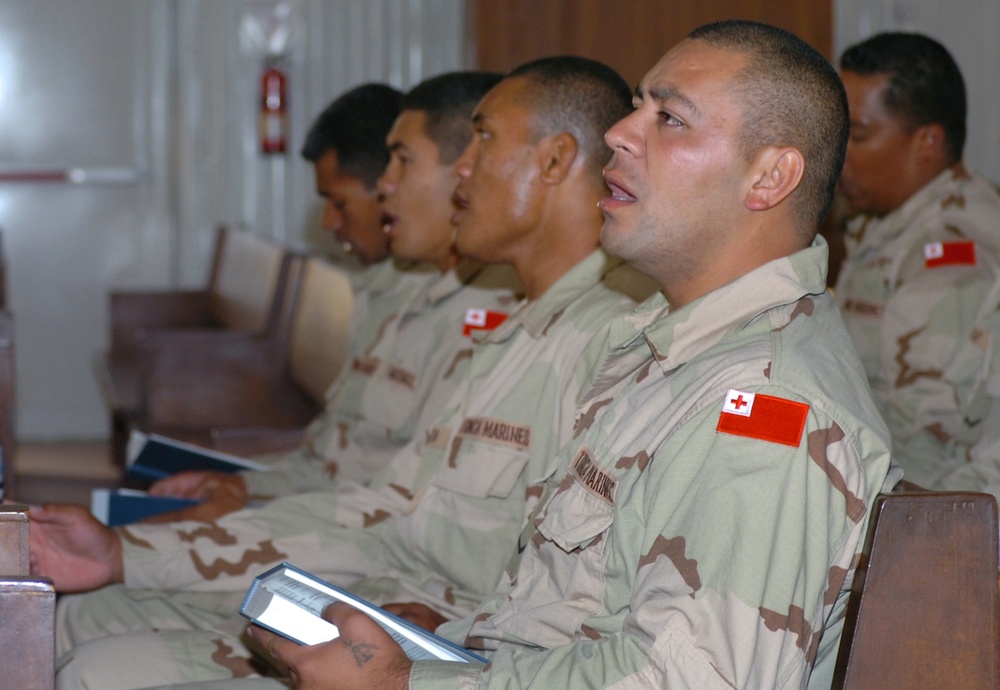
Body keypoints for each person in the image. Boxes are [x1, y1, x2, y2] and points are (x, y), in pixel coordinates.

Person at [249, 20, 898, 690]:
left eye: (669, 118)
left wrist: (402, 685)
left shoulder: (770, 408)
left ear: (768, 177)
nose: (621, 132)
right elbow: (564, 617)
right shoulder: (667, 346)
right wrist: (438, 642)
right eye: (638, 105)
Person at [40, 57, 656, 688]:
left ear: (553, 161)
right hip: (385, 607)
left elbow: (580, 597)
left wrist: (449, 628)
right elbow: (388, 513)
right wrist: (137, 551)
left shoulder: (610, 340)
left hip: (442, 645)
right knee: (77, 632)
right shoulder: (517, 331)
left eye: (483, 141)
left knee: (96, 665)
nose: (462, 170)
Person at [147, 72, 520, 522]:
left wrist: (243, 519)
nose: (387, 185)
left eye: (402, 162)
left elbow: (401, 510)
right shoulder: (411, 293)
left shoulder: (489, 313)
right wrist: (245, 489)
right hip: (335, 527)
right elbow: (336, 459)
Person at [833, 32, 1000, 492]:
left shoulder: (951, 248)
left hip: (926, 522)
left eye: (858, 135)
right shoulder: (891, 222)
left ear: (926, 141)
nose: (838, 153)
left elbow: (922, 442)